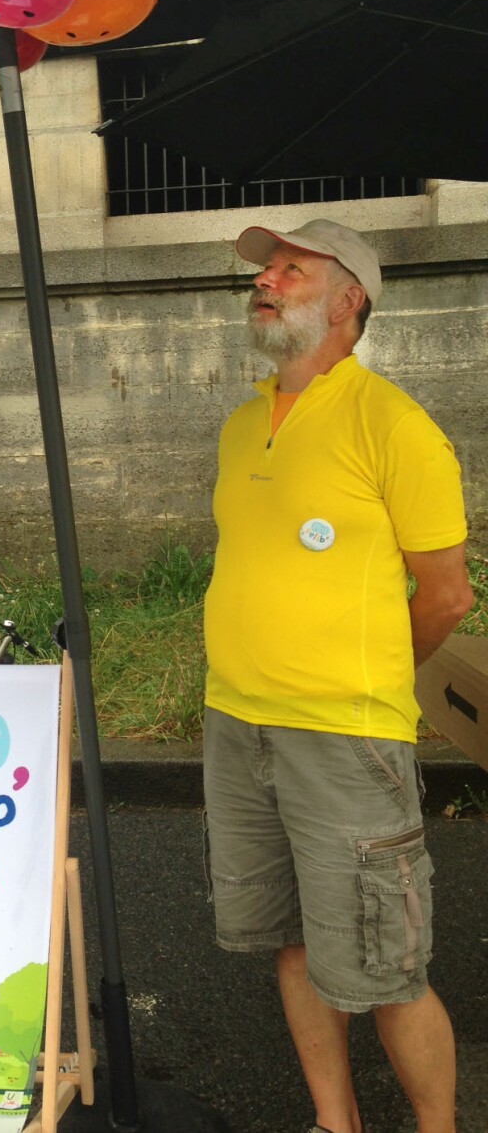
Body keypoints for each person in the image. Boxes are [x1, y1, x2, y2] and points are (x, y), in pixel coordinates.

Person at [202, 219, 473, 1133]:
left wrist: (365, 676)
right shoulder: (243, 425)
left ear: (349, 300)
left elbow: (444, 596)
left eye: (291, 269)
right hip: (237, 724)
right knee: (291, 940)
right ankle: (335, 1122)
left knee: (387, 968)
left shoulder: (394, 426)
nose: (266, 281)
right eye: (265, 270)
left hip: (345, 738)